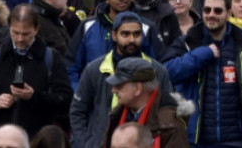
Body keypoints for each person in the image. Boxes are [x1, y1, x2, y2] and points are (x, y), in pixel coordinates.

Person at [163, 0, 242, 147]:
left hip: (237, 140)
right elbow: (167, 72)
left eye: (218, 10)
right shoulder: (189, 42)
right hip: (197, 139)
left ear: (228, 13)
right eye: (207, 10)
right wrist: (202, 55)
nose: (211, 14)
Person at [70, 11, 176, 148]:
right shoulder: (94, 69)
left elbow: (169, 110)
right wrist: (86, 143)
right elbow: (78, 111)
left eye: (136, 34)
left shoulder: (157, 70)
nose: (131, 39)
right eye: (125, 34)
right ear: (114, 35)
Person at [0, 3, 74, 136]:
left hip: (36, 140)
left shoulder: (51, 58)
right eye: (15, 32)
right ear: (9, 28)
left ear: (36, 29)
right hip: (2, 139)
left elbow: (65, 100)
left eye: (26, 34)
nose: (20, 39)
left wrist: (34, 97)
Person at [103, 57, 187, 148]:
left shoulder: (170, 124)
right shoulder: (117, 115)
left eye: (120, 85)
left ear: (137, 89)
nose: (114, 90)